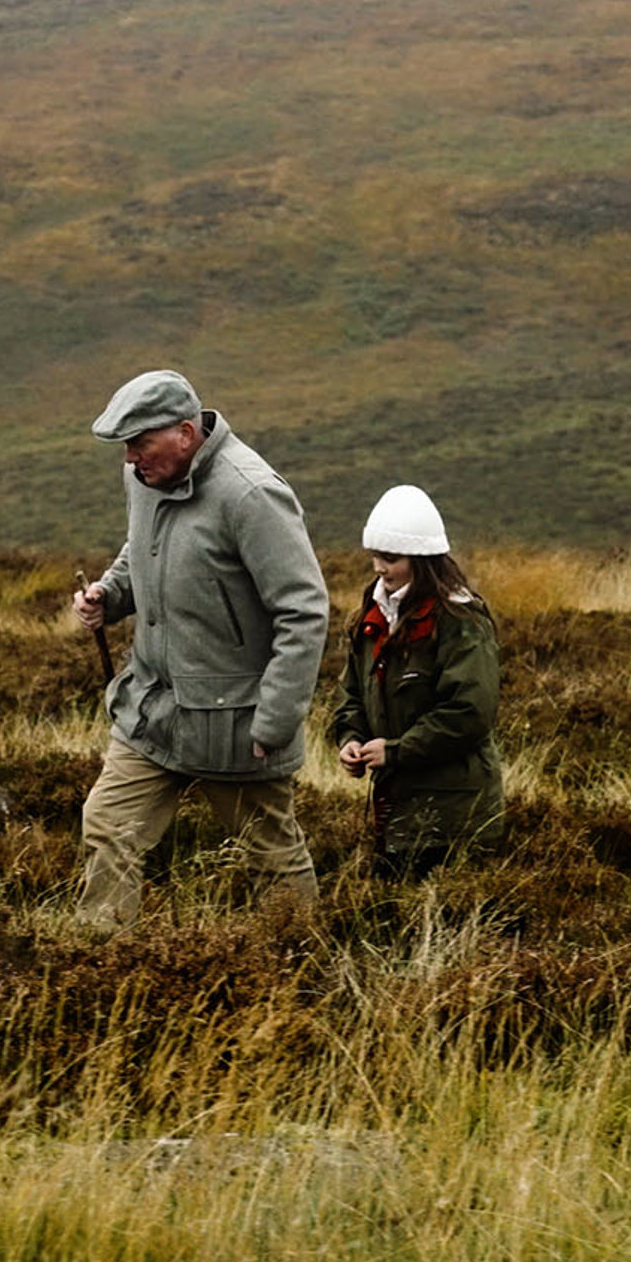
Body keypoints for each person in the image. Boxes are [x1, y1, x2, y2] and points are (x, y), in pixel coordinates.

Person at [71, 370, 330, 930]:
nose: (130, 459)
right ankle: (96, 966)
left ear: (185, 433)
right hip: (152, 711)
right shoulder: (145, 479)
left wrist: (276, 717)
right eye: (125, 446)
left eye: (140, 443)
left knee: (272, 856)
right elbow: (144, 548)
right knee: (108, 826)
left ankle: (302, 969)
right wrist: (110, 595)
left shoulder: (252, 494)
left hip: (237, 723)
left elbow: (303, 609)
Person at [333, 485, 503, 880]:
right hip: (396, 811)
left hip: (456, 817)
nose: (379, 566)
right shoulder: (373, 615)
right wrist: (350, 738)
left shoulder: (462, 622)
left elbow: (470, 713)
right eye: (375, 556)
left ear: (422, 561)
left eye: (390, 558)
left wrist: (396, 751)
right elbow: (351, 693)